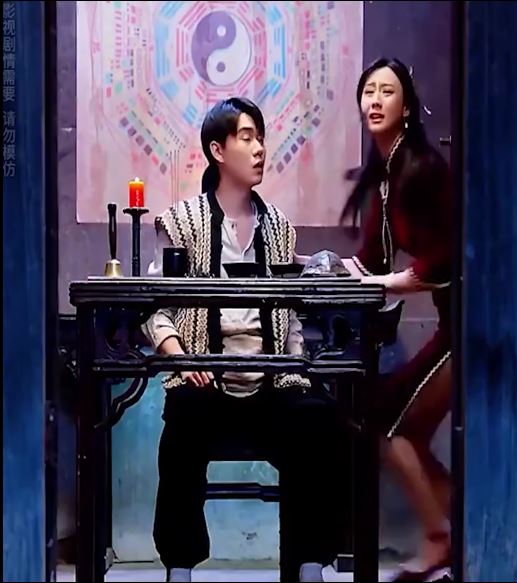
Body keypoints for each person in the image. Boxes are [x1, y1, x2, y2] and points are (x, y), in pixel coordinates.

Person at [142, 97, 343, 583]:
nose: (259, 149)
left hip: (272, 381)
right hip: (205, 380)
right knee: (183, 419)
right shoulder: (182, 222)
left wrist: (295, 366)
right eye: (246, 137)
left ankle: (308, 564)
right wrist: (181, 358)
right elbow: (156, 309)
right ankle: (180, 566)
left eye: (261, 138)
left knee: (318, 417)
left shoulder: (279, 227)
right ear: (218, 150)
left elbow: (291, 317)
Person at [340, 58, 453, 581]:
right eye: (369, 91)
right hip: (451, 326)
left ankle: (438, 540)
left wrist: (381, 283)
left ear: (406, 107)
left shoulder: (420, 169)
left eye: (387, 91)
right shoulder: (385, 176)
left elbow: (443, 263)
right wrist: (320, 268)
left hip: (470, 326)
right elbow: (372, 262)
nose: (375, 101)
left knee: (388, 423)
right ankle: (459, 526)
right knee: (395, 426)